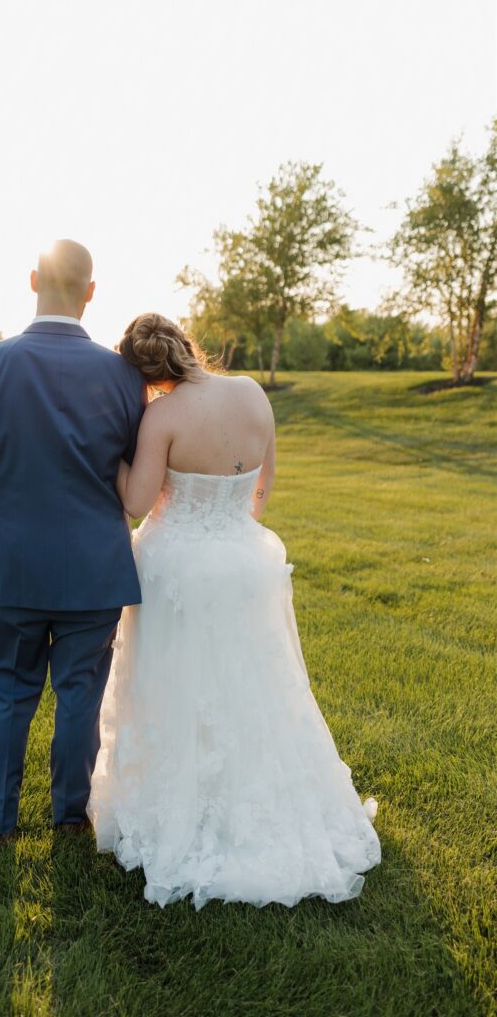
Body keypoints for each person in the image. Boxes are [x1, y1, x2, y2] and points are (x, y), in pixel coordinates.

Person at [88, 312, 380, 908]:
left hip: (179, 569)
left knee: (181, 688)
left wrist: (102, 456)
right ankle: (270, 804)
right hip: (247, 563)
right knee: (256, 687)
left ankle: (185, 809)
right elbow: (264, 488)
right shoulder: (251, 391)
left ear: (144, 373)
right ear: (186, 345)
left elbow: (138, 500)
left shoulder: (161, 416)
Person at [0, 240, 146, 839]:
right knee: (80, 694)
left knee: (7, 694)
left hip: (15, 565)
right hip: (97, 568)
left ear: (33, 281)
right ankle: (70, 818)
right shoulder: (125, 376)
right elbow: (141, 471)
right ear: (91, 291)